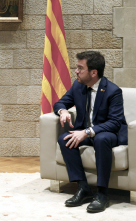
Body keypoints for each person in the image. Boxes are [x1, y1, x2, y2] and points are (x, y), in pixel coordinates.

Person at [53, 51, 127, 213]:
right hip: (85, 132)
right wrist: (63, 111)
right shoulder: (78, 86)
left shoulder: (113, 91)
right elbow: (59, 103)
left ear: (94, 72)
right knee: (65, 138)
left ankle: (102, 194)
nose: (76, 71)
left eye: (80, 68)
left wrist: (87, 132)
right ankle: (83, 188)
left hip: (107, 132)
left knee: (101, 139)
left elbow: (114, 122)